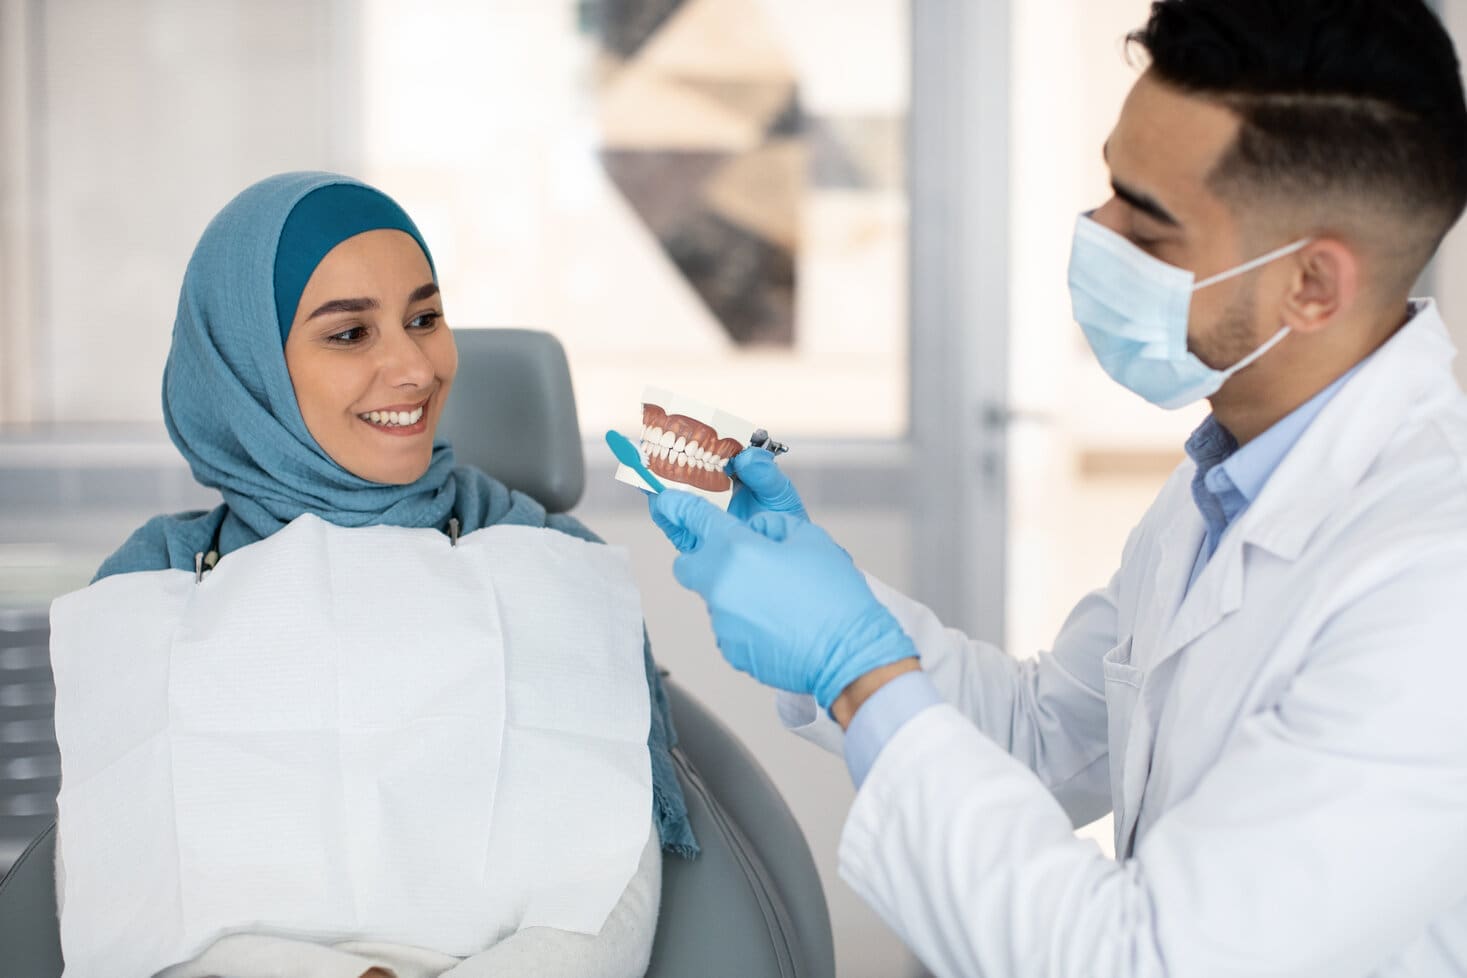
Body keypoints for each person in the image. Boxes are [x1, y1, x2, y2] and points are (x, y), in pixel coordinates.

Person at [647, 1, 1467, 974]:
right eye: (1111, 186)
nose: (1096, 232)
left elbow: (1146, 962)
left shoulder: (1432, 582)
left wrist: (858, 671)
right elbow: (1049, 739)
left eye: (1149, 228)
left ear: (1314, 287)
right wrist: (833, 603)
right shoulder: (1229, 481)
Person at [59, 172, 696, 978]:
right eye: (350, 335)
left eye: (424, 318)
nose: (414, 368)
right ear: (244, 366)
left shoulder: (540, 555)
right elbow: (122, 901)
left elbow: (606, 887)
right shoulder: (155, 585)